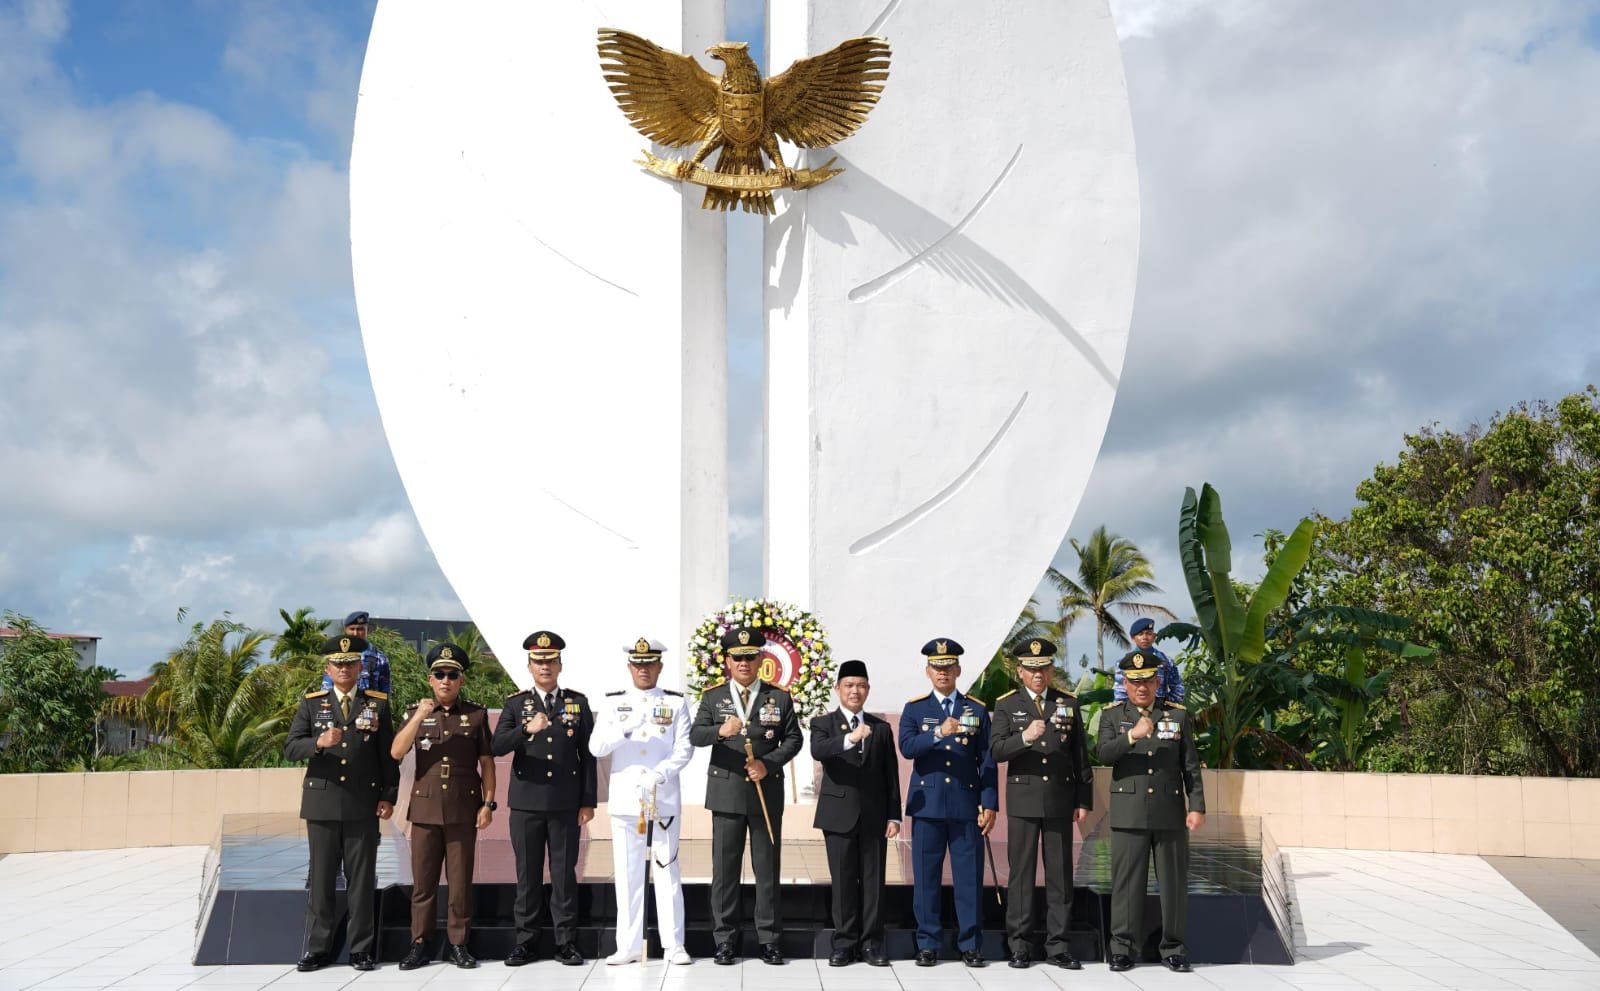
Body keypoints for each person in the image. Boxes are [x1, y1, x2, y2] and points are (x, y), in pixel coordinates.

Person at [689, 626, 803, 966]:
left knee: (767, 869)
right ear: (727, 661)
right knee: (724, 871)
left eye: (750, 657)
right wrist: (719, 731)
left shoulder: (778, 696)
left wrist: (768, 764)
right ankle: (724, 940)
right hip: (726, 793)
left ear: (760, 659)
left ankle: (769, 940)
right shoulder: (713, 697)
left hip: (765, 792)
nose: (744, 663)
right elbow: (695, 735)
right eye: (737, 657)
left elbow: (794, 739)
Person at [283, 635, 398, 973]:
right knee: (320, 881)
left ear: (360, 667)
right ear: (328, 668)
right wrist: (317, 742)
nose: (344, 669)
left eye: (350, 663)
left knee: (361, 881)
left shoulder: (376, 704)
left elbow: (387, 756)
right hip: (322, 804)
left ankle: (361, 949)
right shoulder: (311, 703)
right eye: (338, 663)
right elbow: (290, 748)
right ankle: (318, 948)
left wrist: (388, 795)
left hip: (362, 804)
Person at [1098, 648, 1205, 973]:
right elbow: (1103, 754)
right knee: (1126, 885)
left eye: (1146, 681)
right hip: (1129, 812)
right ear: (1126, 684)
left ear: (1157, 681)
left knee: (1173, 884)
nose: (1141, 687)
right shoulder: (1112, 716)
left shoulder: (1177, 715)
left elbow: (1191, 766)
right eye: (1134, 681)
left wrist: (1196, 806)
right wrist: (1132, 735)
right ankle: (1122, 948)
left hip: (1168, 810)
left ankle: (1173, 948)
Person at [588, 637, 695, 966]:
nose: (644, 669)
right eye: (638, 664)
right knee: (628, 874)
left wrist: (661, 773)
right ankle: (628, 945)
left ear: (659, 666)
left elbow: (684, 748)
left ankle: (674, 944)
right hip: (626, 802)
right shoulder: (612, 703)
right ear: (629, 666)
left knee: (667, 871)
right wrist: (625, 729)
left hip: (662, 798)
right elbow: (597, 747)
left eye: (650, 663)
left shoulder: (676, 703)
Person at [391, 643, 496, 970]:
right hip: (425, 808)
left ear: (461, 680)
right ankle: (419, 943)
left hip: (463, 808)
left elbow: (487, 764)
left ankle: (458, 943)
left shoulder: (476, 715)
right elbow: (396, 751)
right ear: (430, 679)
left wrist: (489, 802)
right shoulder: (416, 712)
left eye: (452, 675)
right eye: (439, 674)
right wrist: (421, 714)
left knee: (460, 882)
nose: (446, 680)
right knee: (423, 883)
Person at [494, 630, 596, 967]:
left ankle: (566, 941)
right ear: (529, 665)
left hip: (565, 804)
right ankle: (525, 942)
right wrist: (525, 730)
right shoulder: (516, 704)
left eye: (550, 661)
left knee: (564, 875)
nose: (545, 666)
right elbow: (496, 747)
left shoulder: (577, 703)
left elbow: (588, 754)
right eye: (539, 661)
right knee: (528, 876)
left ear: (560, 664)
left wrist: (587, 801)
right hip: (526, 804)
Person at [990, 638, 1091, 969]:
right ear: (1020, 671)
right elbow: (997, 751)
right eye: (1031, 669)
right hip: (1023, 799)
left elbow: (1080, 757)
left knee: (1060, 875)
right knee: (1020, 875)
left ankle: (1058, 945)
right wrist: (1025, 738)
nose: (1038, 674)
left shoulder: (1068, 703)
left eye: (1043, 668)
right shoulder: (1007, 705)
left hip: (1060, 800)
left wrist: (1083, 799)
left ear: (1051, 670)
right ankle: (1019, 944)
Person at [898, 638, 998, 968]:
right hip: (927, 806)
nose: (943, 672)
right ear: (928, 671)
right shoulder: (915, 708)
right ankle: (928, 943)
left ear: (958, 670)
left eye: (948, 667)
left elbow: (986, 760)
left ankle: (970, 943)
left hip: (965, 804)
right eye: (937, 667)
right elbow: (908, 748)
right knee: (926, 879)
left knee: (968, 877)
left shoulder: (976, 709)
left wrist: (990, 803)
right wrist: (939, 733)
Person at [810, 659, 902, 968]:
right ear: (838, 689)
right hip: (838, 814)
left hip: (874, 816)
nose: (855, 691)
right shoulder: (823, 724)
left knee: (874, 883)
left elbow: (890, 775)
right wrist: (851, 738)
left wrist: (894, 815)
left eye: (861, 685)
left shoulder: (880, 728)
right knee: (844, 881)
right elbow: (819, 751)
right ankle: (844, 943)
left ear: (868, 690)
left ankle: (872, 944)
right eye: (849, 685)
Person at [1112, 617, 1183, 703]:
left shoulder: (1166, 661)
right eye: (1140, 634)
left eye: (1148, 633)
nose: (1145, 637)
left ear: (1154, 637)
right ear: (1133, 638)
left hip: (1161, 710)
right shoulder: (1123, 663)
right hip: (1132, 711)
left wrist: (1166, 706)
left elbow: (1178, 688)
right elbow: (1120, 693)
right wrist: (1129, 712)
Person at [322, 611, 392, 696]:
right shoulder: (335, 655)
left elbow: (384, 693)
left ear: (367, 630)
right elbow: (326, 688)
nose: (355, 633)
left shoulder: (379, 658)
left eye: (360, 629)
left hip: (369, 707)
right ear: (345, 630)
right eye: (352, 629)